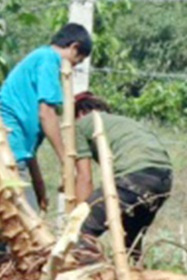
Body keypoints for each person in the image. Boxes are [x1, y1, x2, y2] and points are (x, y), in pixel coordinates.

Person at [0, 23, 92, 263]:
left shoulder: (38, 60)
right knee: (27, 221)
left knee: (14, 212)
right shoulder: (48, 59)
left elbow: (29, 150)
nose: (71, 68)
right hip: (9, 154)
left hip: (13, 153)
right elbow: (46, 113)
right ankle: (15, 274)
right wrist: (65, 160)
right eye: (76, 62)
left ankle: (0, 267)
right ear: (73, 48)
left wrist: (39, 184)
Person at [72, 92, 173, 263]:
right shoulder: (124, 122)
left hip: (134, 175)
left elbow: (84, 177)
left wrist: (78, 217)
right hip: (163, 178)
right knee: (130, 244)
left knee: (81, 233)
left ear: (80, 113)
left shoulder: (80, 125)